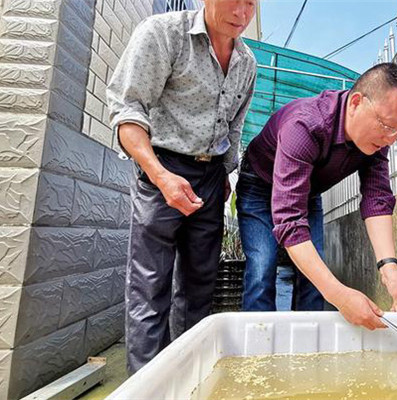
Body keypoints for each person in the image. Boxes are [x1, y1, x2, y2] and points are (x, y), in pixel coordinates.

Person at [106, 0, 257, 374]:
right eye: (234, 0)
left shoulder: (247, 63)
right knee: (150, 286)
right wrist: (159, 175)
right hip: (162, 165)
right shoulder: (164, 34)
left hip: (211, 176)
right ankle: (148, 384)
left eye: (251, 3)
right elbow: (128, 109)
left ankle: (188, 377)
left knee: (199, 286)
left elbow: (234, 127)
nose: (242, 13)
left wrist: (224, 176)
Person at [237, 63, 397, 329]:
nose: (391, 139)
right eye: (387, 125)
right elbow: (290, 221)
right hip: (259, 185)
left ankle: (307, 343)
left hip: (307, 191)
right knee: (262, 267)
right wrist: (340, 296)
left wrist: (390, 270)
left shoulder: (378, 142)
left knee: (315, 275)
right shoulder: (304, 125)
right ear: (356, 103)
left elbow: (377, 198)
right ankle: (258, 344)